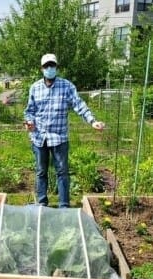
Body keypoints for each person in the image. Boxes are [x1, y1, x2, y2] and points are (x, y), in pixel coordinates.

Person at [24, 53, 105, 208]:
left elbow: (79, 105)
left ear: (56, 67)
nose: (49, 68)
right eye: (46, 66)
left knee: (62, 172)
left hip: (59, 138)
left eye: (52, 65)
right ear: (42, 68)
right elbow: (30, 111)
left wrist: (92, 121)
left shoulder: (67, 86)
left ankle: (64, 206)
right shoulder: (35, 88)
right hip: (39, 137)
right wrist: (29, 122)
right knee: (41, 172)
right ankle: (42, 205)